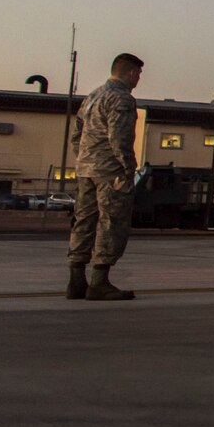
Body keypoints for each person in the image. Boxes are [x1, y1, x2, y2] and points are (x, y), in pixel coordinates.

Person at [65, 53, 144, 301]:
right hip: (111, 172)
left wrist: (84, 159)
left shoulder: (92, 96)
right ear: (131, 73)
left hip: (86, 169)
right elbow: (119, 137)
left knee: (84, 221)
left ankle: (76, 281)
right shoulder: (121, 98)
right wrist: (128, 167)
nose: (138, 79)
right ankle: (99, 281)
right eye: (138, 74)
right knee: (112, 222)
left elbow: (76, 135)